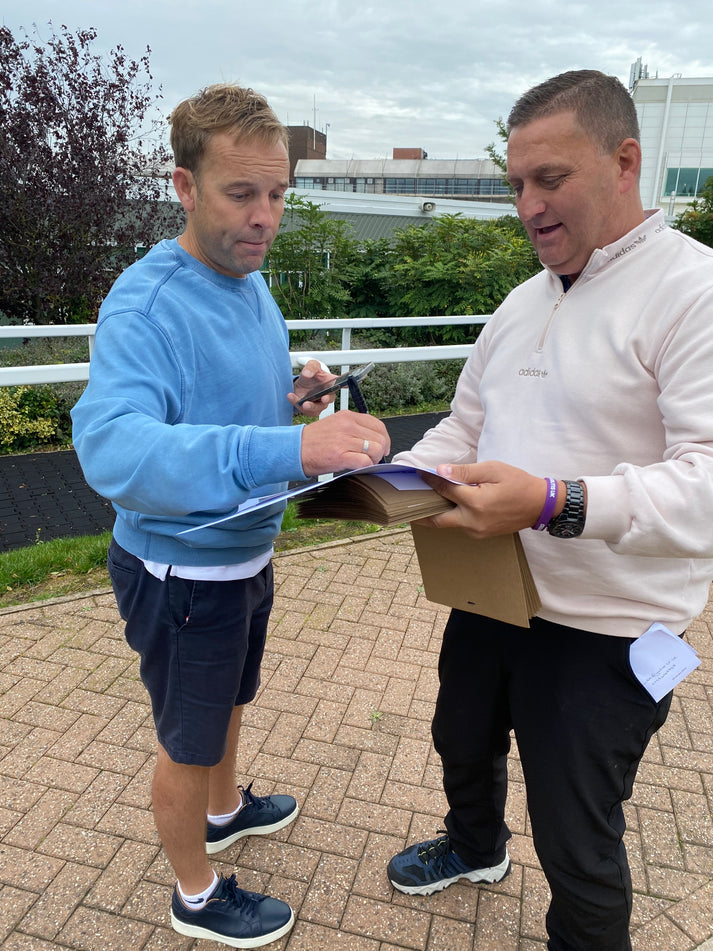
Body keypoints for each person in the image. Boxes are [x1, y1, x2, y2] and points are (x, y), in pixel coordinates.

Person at [386, 70, 713, 951]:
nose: (527, 207)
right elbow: (463, 427)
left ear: (623, 160)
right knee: (460, 732)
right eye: (515, 184)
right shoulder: (521, 300)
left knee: (576, 836)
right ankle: (473, 846)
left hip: (608, 631)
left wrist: (552, 503)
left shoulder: (693, 293)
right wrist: (384, 476)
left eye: (549, 179)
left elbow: (707, 482)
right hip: (491, 588)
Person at [71, 82, 389, 949]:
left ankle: (223, 809)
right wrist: (291, 451)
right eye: (240, 194)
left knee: (229, 701)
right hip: (182, 570)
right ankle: (196, 894)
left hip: (242, 554)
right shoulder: (146, 304)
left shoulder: (246, 282)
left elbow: (222, 403)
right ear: (184, 186)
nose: (265, 218)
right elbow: (115, 452)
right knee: (186, 734)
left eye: (277, 194)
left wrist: (292, 397)